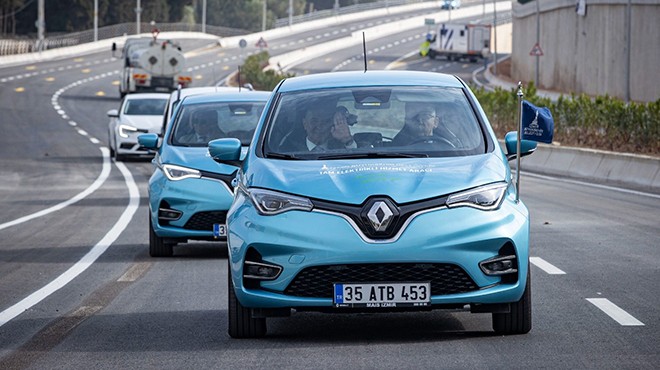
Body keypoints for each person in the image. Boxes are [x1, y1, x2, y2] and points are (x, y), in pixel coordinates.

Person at [281, 106, 356, 152]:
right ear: (305, 124)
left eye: (325, 121)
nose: (320, 126)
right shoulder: (288, 149)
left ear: (331, 124)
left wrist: (347, 140)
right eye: (314, 121)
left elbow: (357, 162)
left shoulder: (341, 146)